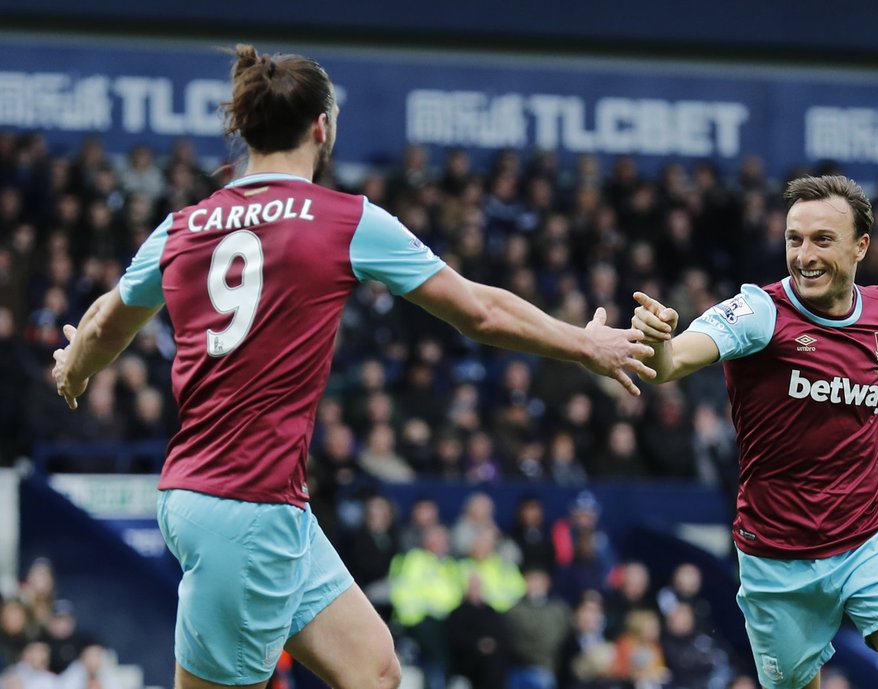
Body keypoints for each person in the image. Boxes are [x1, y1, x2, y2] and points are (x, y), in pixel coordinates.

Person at [50, 45, 656, 689]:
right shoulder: (344, 219)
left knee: (374, 670)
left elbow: (102, 323)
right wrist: (584, 344)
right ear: (321, 127)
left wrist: (73, 370)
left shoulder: (182, 227)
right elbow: (478, 310)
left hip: (239, 497)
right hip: (246, 504)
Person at [631, 175, 878, 689]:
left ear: (861, 246)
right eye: (794, 239)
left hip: (868, 536)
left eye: (822, 239)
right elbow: (671, 364)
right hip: (777, 556)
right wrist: (660, 340)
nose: (804, 255)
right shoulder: (759, 313)